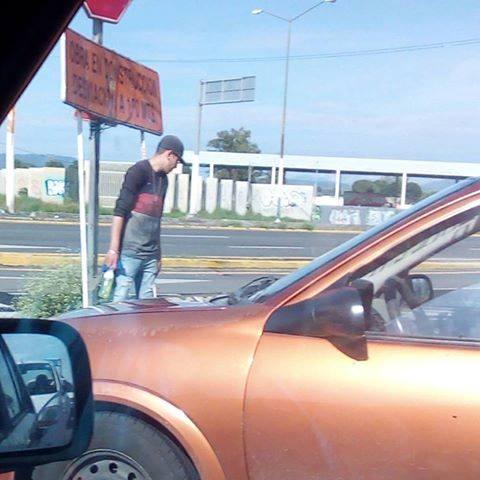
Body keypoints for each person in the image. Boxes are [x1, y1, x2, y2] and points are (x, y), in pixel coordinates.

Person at [105, 135, 185, 301]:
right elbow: (119, 211)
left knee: (146, 301)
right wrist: (113, 249)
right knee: (121, 296)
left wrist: (158, 255)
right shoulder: (138, 172)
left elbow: (157, 219)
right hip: (130, 251)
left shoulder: (164, 180)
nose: (176, 165)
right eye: (176, 160)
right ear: (169, 154)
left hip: (151, 254)